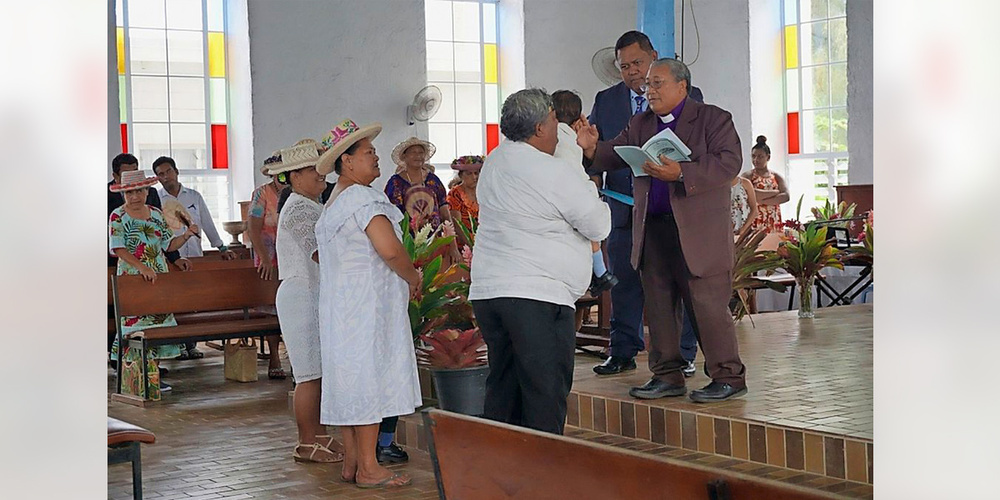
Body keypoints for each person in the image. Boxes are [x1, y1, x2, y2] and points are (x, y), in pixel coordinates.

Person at [578, 58, 748, 403]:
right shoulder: (641, 122)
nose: (649, 91)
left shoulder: (713, 119)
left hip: (698, 233)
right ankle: (667, 375)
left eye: (657, 84)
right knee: (658, 305)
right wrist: (593, 147)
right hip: (653, 227)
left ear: (682, 86)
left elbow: (729, 162)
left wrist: (682, 173)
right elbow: (617, 154)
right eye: (647, 85)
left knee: (707, 306)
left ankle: (728, 376)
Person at [470, 89, 611, 434]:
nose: (558, 129)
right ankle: (543, 465)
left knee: (504, 389)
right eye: (553, 120)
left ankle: (502, 465)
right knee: (544, 394)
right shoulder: (552, 171)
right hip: (536, 296)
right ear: (538, 129)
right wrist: (583, 176)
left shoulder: (495, 161)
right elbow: (598, 224)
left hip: (491, 292)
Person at [314, 119, 421, 488]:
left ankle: (353, 462)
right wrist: (413, 277)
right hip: (366, 308)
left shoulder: (334, 203)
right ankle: (370, 468)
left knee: (350, 380)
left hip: (340, 308)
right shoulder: (363, 199)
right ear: (346, 161)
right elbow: (390, 250)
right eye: (368, 152)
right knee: (368, 380)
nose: (376, 157)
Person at [585, 31, 657, 376]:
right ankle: (622, 351)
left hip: (664, 209)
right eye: (625, 66)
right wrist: (592, 182)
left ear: (653, 57)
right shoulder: (606, 100)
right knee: (623, 283)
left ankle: (683, 353)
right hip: (622, 209)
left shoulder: (680, 92)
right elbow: (594, 152)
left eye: (637, 63)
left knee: (670, 284)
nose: (632, 71)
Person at [269, 138, 345, 464]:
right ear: (294, 176)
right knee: (308, 375)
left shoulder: (311, 204)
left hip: (313, 292)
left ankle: (321, 435)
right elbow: (318, 252)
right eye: (313, 169)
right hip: (301, 294)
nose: (321, 174)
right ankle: (306, 442)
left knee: (319, 373)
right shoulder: (299, 207)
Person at [109, 170, 200, 393]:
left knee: (158, 326)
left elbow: (168, 245)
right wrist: (141, 267)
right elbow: (118, 247)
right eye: (129, 193)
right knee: (135, 328)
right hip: (132, 278)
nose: (135, 196)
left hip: (157, 277)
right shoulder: (117, 216)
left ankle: (153, 376)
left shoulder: (156, 214)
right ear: (123, 194)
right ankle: (135, 377)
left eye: (139, 191)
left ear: (147, 191)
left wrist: (186, 235)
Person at [153, 155, 235, 360]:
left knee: (192, 303)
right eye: (160, 174)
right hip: (171, 259)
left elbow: (207, 222)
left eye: (168, 171)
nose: (166, 176)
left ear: (176, 171)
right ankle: (178, 345)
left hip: (194, 256)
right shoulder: (156, 200)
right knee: (174, 303)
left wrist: (221, 247)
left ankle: (192, 345)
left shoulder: (194, 196)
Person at [552, 90, 618, 295]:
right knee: (591, 230)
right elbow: (577, 173)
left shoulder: (548, 135)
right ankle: (600, 272)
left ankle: (599, 274)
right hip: (571, 194)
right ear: (579, 119)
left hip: (555, 200)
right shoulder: (569, 138)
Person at [384, 137, 462, 262]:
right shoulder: (395, 183)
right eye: (413, 152)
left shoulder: (433, 180)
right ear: (404, 156)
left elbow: (445, 214)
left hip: (434, 242)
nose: (418, 156)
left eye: (421, 152)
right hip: (407, 245)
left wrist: (453, 246)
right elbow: (393, 217)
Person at [247, 155, 287, 380]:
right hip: (269, 257)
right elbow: (253, 228)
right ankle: (274, 356)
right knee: (272, 309)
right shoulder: (262, 194)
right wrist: (264, 258)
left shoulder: (295, 192)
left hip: (291, 257)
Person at [742, 136, 789, 233]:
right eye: (753, 156)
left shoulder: (776, 176)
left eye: (760, 156)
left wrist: (761, 200)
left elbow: (786, 196)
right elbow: (752, 194)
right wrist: (775, 192)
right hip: (755, 221)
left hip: (773, 221)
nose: (756, 160)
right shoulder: (748, 176)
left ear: (768, 157)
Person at [446, 155, 481, 245]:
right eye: (469, 174)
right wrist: (470, 244)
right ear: (461, 175)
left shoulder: (483, 191)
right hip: (463, 244)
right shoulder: (455, 194)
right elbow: (457, 225)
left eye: (476, 173)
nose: (474, 177)